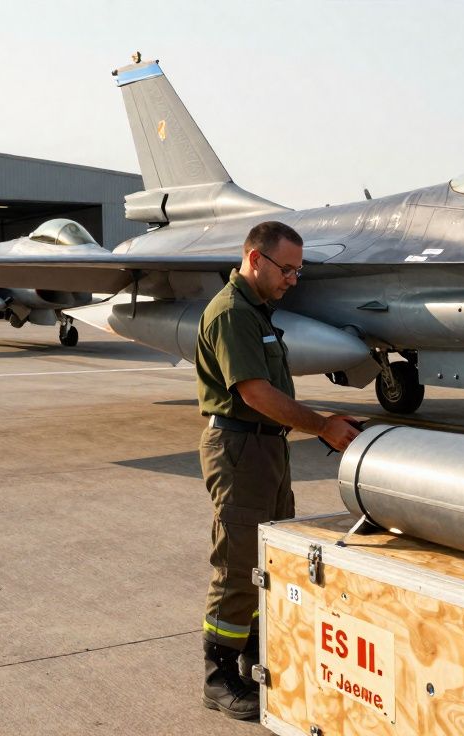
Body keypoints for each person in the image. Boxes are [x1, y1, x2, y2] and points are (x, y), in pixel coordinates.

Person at [196, 220, 362, 720]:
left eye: (298, 270)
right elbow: (254, 393)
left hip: (266, 448)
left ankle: (253, 654)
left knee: (265, 559)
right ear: (254, 259)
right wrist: (322, 427)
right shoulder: (231, 313)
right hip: (240, 448)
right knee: (237, 561)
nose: (292, 278)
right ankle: (218, 676)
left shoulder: (258, 314)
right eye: (286, 269)